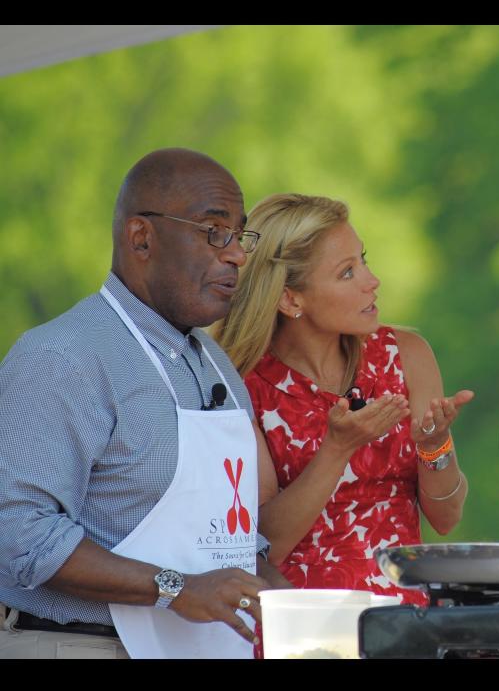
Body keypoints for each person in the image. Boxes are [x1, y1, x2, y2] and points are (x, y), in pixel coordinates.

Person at [0, 148, 289, 659]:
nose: (237, 255)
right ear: (141, 238)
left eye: (239, 235)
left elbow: (228, 531)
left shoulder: (216, 366)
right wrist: (176, 587)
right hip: (77, 645)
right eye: (213, 231)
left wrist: (288, 600)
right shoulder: (63, 355)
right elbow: (20, 534)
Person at [212, 193, 471, 606]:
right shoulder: (243, 386)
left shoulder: (406, 355)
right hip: (304, 627)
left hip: (405, 624)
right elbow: (263, 548)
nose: (372, 280)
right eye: (347, 272)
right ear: (291, 299)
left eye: (363, 260)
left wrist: (433, 447)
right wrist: (337, 448)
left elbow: (446, 518)